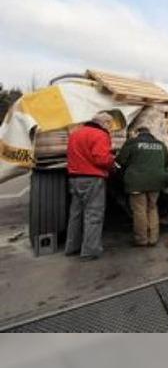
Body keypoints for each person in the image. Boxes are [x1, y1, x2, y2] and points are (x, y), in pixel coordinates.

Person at [65, 112, 114, 261]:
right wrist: (112, 160)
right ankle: (90, 251)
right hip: (92, 179)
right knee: (93, 215)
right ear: (104, 122)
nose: (110, 128)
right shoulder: (100, 135)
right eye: (110, 125)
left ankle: (72, 247)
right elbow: (101, 159)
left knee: (76, 215)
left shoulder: (75, 134)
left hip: (75, 178)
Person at [116, 126, 168, 246]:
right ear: (150, 133)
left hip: (136, 182)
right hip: (157, 181)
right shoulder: (160, 144)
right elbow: (167, 162)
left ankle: (141, 239)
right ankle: (153, 238)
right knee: (152, 208)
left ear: (137, 133)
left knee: (139, 210)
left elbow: (121, 160)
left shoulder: (132, 143)